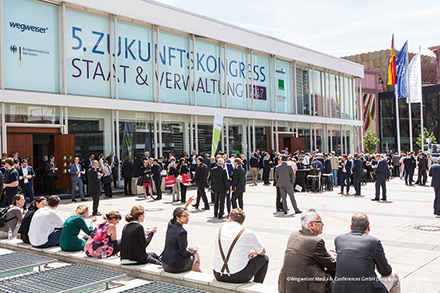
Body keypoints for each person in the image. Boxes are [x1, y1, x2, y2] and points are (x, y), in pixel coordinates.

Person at [333, 213, 400, 293]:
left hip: (340, 289)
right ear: (368, 227)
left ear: (351, 227)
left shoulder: (339, 239)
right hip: (365, 290)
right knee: (393, 275)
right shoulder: (374, 242)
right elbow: (386, 271)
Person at [278, 209, 336, 292]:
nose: (322, 224)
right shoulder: (316, 242)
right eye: (320, 222)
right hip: (304, 288)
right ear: (311, 225)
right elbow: (332, 265)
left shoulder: (294, 235)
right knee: (338, 273)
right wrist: (333, 256)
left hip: (285, 286)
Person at [214, 208, 268, 284]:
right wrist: (253, 253)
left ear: (230, 218)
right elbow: (262, 252)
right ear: (242, 221)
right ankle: (257, 285)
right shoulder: (248, 233)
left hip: (218, 274)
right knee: (264, 259)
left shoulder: (219, 230)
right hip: (238, 276)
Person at [161, 197, 202, 273]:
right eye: (185, 216)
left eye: (188, 215)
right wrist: (191, 252)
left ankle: (198, 271)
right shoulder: (182, 232)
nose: (188, 218)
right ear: (178, 218)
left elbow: (177, 213)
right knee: (196, 255)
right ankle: (199, 273)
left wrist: (187, 205)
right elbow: (182, 252)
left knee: (195, 266)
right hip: (174, 266)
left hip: (165, 263)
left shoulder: (170, 224)